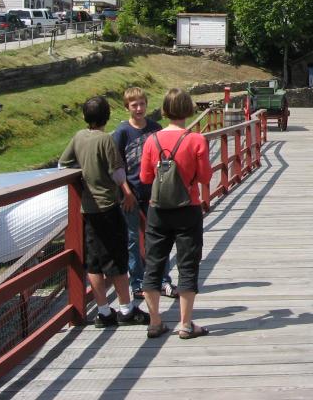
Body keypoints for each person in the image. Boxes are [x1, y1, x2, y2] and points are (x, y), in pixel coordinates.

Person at [58, 96, 150, 327]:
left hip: (88, 209)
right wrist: (127, 194)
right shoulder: (106, 140)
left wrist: (84, 177)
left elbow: (63, 164)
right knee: (118, 258)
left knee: (94, 261)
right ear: (107, 117)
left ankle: (103, 311)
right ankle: (127, 310)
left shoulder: (79, 137)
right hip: (109, 206)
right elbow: (117, 173)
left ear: (85, 117)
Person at [141, 87, 212, 339]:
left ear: (165, 110)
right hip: (187, 209)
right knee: (188, 265)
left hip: (157, 211)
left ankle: (155, 321)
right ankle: (185, 324)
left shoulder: (152, 140)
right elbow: (205, 176)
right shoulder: (196, 140)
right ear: (188, 109)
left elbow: (145, 177)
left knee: (153, 265)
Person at [111, 86, 178, 301]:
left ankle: (162, 279)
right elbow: (116, 165)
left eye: (142, 104)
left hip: (155, 192)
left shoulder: (155, 128)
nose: (139, 108)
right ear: (127, 107)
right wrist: (126, 193)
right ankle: (137, 283)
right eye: (134, 105)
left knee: (159, 237)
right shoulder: (121, 133)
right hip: (130, 192)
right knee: (131, 239)